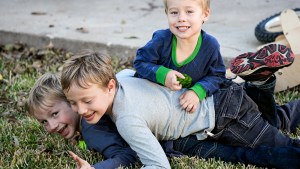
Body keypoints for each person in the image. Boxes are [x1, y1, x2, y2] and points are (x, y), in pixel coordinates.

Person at [60, 46, 300, 169]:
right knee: (274, 122)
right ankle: (260, 82)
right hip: (221, 92)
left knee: (282, 149)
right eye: (73, 103)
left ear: (109, 86)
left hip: (226, 117)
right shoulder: (123, 76)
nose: (80, 110)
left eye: (87, 101)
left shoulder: (127, 120)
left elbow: (158, 164)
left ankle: (260, 83)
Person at [27, 73, 139, 169]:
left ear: (71, 101)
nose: (51, 126)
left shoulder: (91, 127)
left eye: (55, 114)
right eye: (44, 122)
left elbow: (129, 156)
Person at [134, 0, 226, 112]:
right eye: (174, 13)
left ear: (205, 14)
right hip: (150, 100)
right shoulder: (161, 40)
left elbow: (217, 75)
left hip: (183, 107)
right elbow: (140, 62)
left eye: (189, 11)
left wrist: (197, 91)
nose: (181, 18)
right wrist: (163, 75)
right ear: (166, 13)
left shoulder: (210, 46)